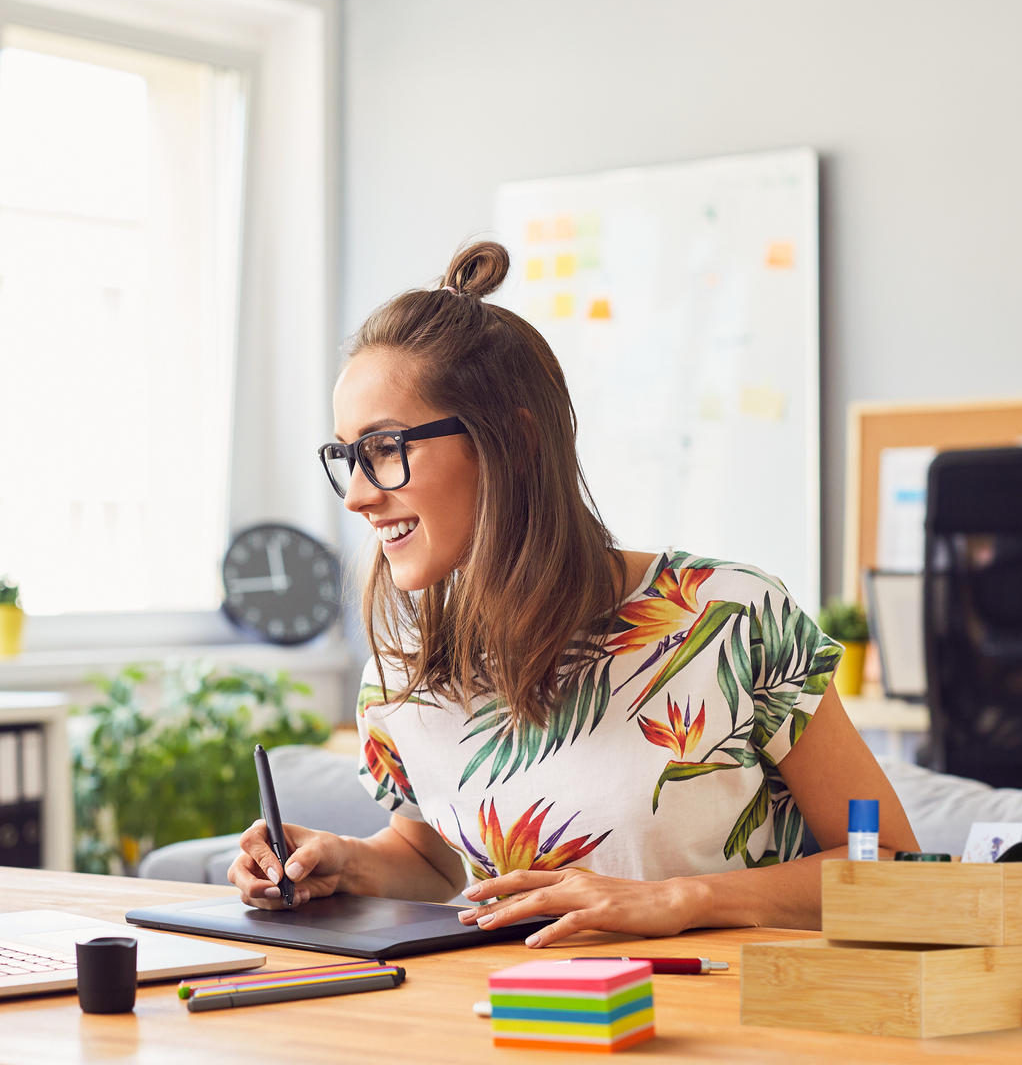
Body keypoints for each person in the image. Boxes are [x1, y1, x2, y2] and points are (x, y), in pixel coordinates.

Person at [228, 241, 918, 947]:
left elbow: (894, 867)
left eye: (384, 449)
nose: (359, 496)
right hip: (507, 1022)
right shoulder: (401, 673)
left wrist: (680, 899)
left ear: (514, 443)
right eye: (347, 457)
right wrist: (345, 862)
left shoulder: (730, 620)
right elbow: (432, 859)